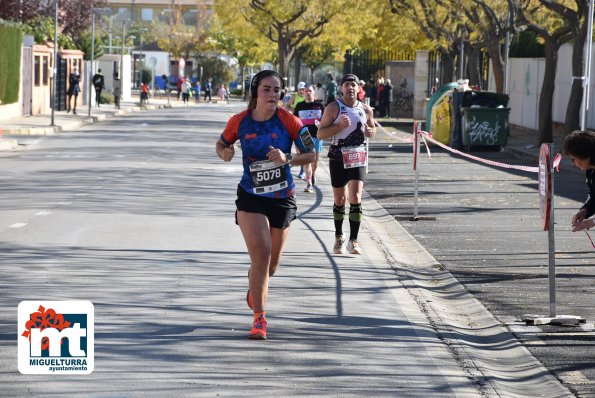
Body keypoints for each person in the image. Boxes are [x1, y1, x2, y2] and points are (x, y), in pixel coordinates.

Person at [215, 70, 316, 340]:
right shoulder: (240, 122)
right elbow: (221, 144)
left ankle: (255, 282)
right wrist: (225, 153)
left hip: (282, 197)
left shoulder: (290, 121)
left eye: (277, 90)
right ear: (255, 92)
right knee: (261, 253)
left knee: (271, 265)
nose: (272, 95)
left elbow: (312, 153)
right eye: (267, 89)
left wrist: (288, 159)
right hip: (251, 195)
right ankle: (260, 319)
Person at [317, 73, 376, 255]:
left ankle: (354, 240)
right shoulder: (333, 108)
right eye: (347, 84)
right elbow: (320, 134)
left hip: (358, 155)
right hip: (338, 156)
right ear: (341, 88)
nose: (350, 87)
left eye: (353, 85)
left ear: (359, 88)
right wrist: (338, 126)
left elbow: (372, 131)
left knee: (356, 197)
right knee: (340, 199)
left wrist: (370, 131)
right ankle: (339, 236)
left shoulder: (366, 110)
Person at [293, 83, 325, 192]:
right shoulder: (299, 106)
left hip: (317, 135)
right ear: (303, 93)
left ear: (314, 92)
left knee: (315, 161)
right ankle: (309, 183)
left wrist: (322, 125)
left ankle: (313, 174)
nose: (308, 93)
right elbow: (295, 123)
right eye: (306, 91)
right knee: (307, 161)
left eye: (310, 91)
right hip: (304, 136)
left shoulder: (320, 106)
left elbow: (326, 120)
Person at [563, 130, 595, 232]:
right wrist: (585, 210)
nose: (573, 164)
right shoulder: (590, 171)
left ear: (586, 156)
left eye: (573, 159)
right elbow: (594, 195)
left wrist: (592, 222)